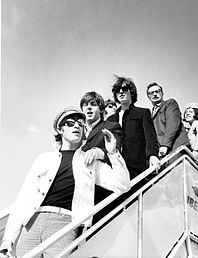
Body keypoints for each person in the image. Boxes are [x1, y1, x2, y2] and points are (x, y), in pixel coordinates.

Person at [0, 107, 130, 258]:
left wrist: (112, 152)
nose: (76, 126)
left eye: (81, 124)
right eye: (70, 123)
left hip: (65, 224)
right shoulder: (44, 159)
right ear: (60, 130)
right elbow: (23, 198)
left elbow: (123, 185)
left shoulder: (90, 162)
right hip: (32, 221)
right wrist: (8, 239)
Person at [80, 91, 123, 224]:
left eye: (93, 104)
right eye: (85, 105)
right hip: (78, 191)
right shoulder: (77, 130)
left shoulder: (111, 126)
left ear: (101, 109)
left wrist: (100, 152)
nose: (88, 108)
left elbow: (116, 148)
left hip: (100, 191)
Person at [108, 76, 160, 180]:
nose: (121, 92)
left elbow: (150, 137)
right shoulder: (110, 119)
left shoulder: (143, 113)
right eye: (118, 90)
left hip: (137, 167)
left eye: (125, 89)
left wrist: (153, 155)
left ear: (131, 92)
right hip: (115, 167)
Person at [146, 82, 190, 159]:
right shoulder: (150, 114)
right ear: (148, 97)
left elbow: (172, 125)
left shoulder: (170, 104)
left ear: (162, 93)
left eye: (157, 91)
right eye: (151, 93)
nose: (155, 94)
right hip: (162, 152)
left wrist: (165, 145)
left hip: (176, 146)